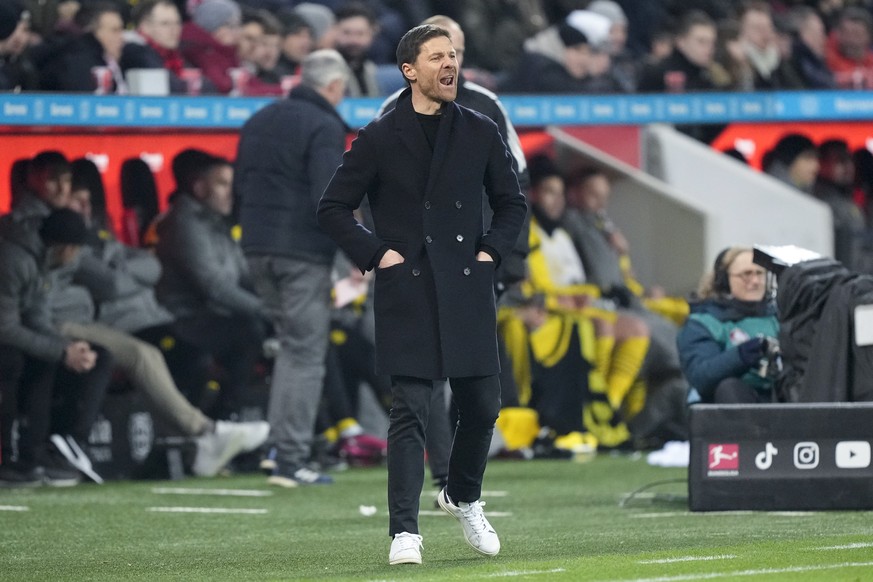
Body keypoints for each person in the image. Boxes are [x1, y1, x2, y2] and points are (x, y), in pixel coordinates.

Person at [318, 24, 526, 566]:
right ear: (410, 70)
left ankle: (463, 495)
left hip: (467, 285)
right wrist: (376, 254)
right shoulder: (379, 136)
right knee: (410, 408)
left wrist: (489, 254)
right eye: (437, 57)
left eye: (453, 55)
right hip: (407, 287)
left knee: (482, 407)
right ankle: (404, 531)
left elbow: (512, 204)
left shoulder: (481, 129)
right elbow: (333, 207)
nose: (449, 64)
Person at [62, 177, 270, 478]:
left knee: (225, 343)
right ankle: (203, 436)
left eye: (87, 201)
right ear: (199, 185)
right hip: (119, 324)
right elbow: (111, 284)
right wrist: (128, 273)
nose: (84, 208)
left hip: (150, 319)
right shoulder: (65, 238)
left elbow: (152, 266)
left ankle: (210, 436)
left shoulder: (98, 234)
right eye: (76, 200)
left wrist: (125, 271)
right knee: (185, 355)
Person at [234, 49, 350, 487]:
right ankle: (290, 458)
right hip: (301, 254)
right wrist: (356, 254)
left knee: (288, 348)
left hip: (255, 248)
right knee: (304, 353)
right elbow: (329, 195)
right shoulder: (324, 125)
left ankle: (277, 451)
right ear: (334, 86)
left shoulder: (259, 118)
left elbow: (240, 182)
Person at [0, 207, 112, 487]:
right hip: (5, 343)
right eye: (76, 250)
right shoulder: (13, 259)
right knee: (22, 361)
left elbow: (38, 318)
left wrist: (68, 349)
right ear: (66, 248)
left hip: (11, 336)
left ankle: (55, 450)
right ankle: (16, 459)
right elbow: (4, 327)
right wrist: (61, 352)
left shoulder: (42, 260)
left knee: (90, 356)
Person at [153, 153, 267, 422]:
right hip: (183, 320)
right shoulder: (184, 223)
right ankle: (223, 419)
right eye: (223, 184)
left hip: (217, 316)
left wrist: (280, 300)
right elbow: (213, 287)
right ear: (199, 188)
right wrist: (266, 310)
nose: (231, 192)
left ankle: (331, 428)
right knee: (249, 331)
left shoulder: (218, 222)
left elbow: (244, 275)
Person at [677, 247, 779, 404]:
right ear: (725, 281)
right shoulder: (704, 323)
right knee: (728, 387)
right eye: (746, 274)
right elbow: (700, 377)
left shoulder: (779, 317)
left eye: (760, 273)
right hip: (731, 407)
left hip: (779, 399)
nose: (755, 281)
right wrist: (741, 356)